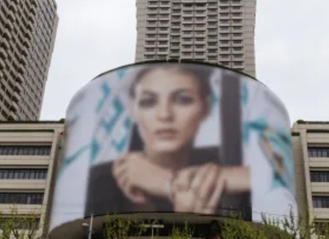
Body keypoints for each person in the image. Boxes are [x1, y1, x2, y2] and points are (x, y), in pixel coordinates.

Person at [84, 64, 251, 217]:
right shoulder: (99, 181)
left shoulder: (224, 160)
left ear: (205, 107)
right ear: (132, 109)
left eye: (182, 100)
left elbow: (265, 177)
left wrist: (167, 182)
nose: (164, 115)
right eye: (149, 102)